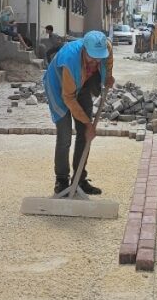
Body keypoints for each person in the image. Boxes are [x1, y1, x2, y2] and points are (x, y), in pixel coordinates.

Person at [44, 30, 115, 196]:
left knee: (85, 134)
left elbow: (108, 63)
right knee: (65, 135)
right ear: (84, 50)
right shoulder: (70, 61)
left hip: (82, 83)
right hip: (59, 87)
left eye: (99, 57)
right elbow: (68, 98)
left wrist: (108, 77)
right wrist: (88, 123)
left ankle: (79, 179)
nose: (96, 61)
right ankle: (61, 180)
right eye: (93, 57)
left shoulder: (107, 47)